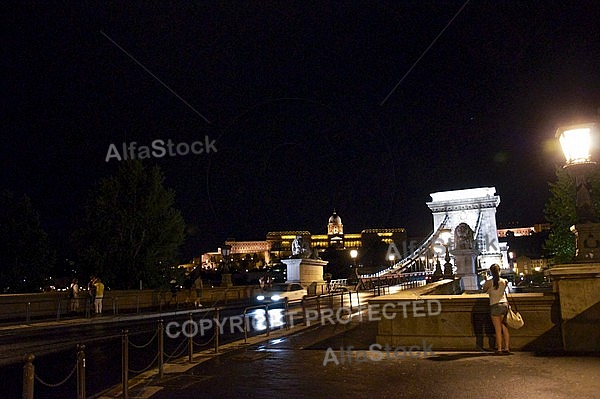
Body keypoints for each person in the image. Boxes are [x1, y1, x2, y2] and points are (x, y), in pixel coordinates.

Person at [482, 264, 510, 355]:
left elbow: (484, 290)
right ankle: (507, 347)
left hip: (495, 305)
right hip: (504, 305)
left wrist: (486, 280)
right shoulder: (504, 281)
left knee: (497, 329)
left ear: (491, 271)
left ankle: (499, 349)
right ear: (499, 270)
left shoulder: (489, 282)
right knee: (504, 327)